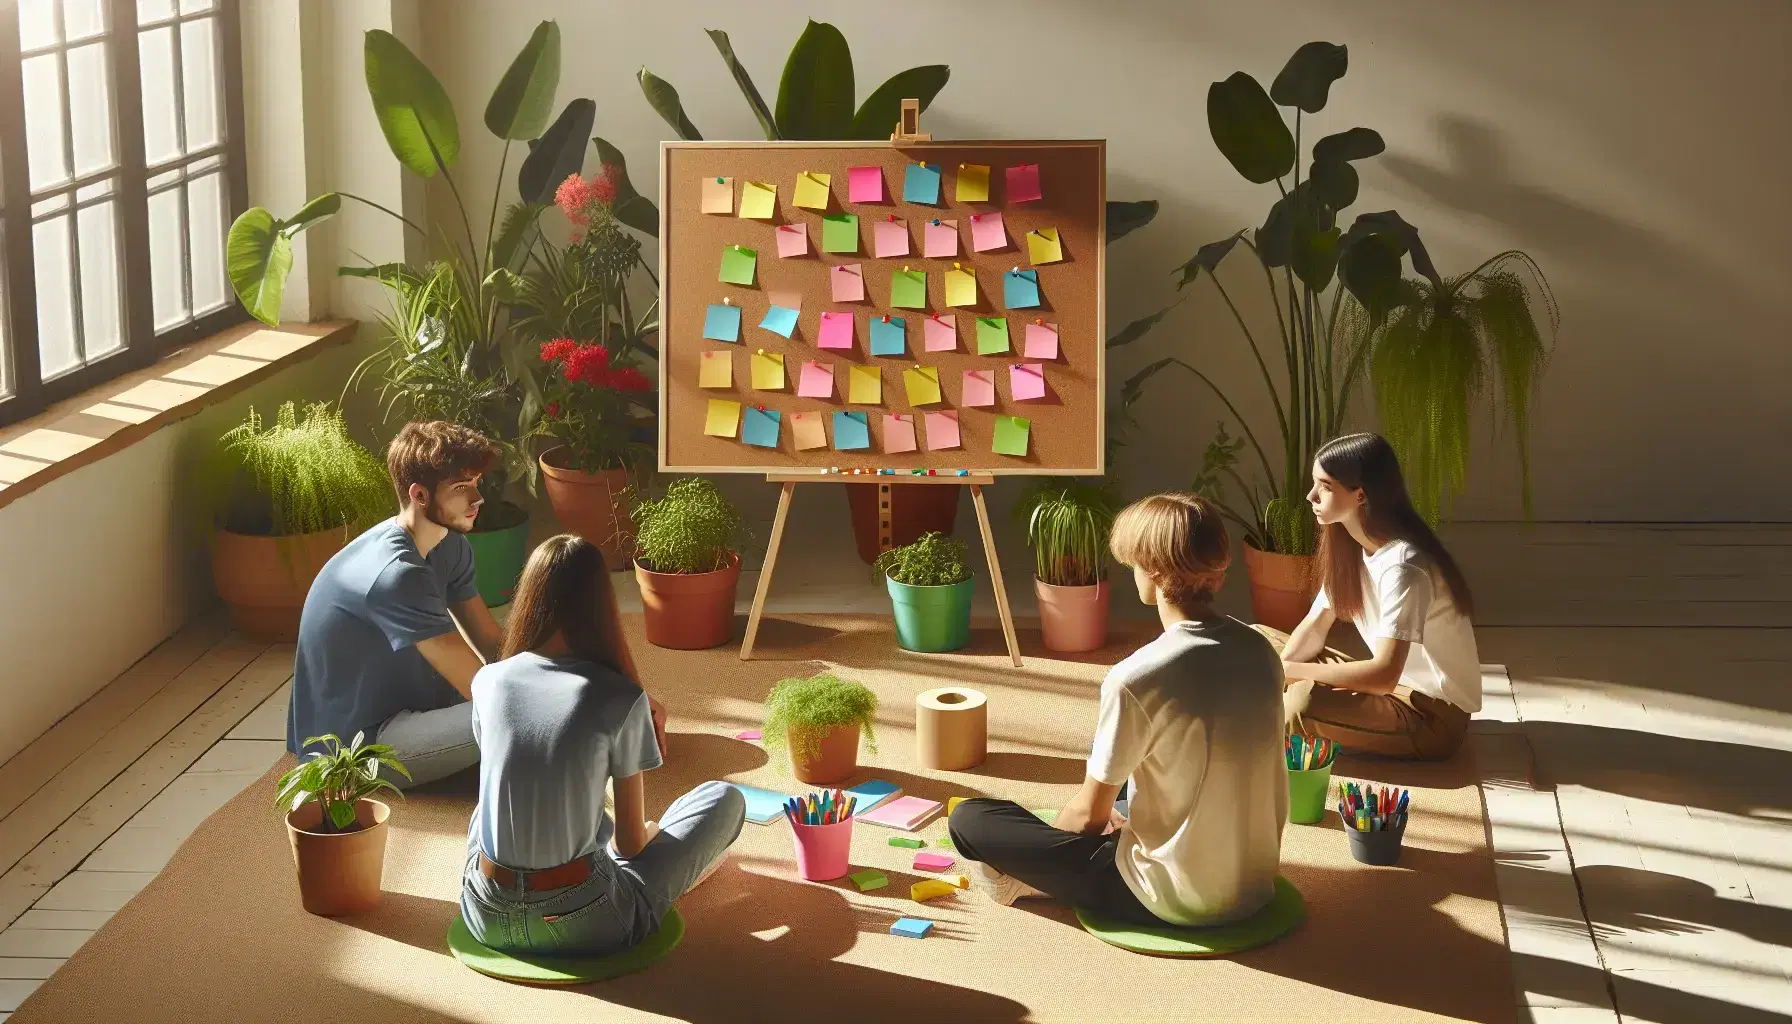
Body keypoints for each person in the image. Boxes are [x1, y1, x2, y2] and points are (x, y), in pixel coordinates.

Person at [948, 493, 1287, 927]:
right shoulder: (1261, 649)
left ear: (1156, 573)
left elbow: (1088, 818)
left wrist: (1048, 852)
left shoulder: (1137, 676)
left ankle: (1029, 881)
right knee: (1136, 771)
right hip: (1254, 885)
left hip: (1173, 899)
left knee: (970, 818)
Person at [287, 420, 667, 786]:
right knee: (539, 711)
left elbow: (494, 647)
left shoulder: (449, 544)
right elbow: (490, 693)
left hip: (415, 703)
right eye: (461, 486)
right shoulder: (396, 574)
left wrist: (612, 686)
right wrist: (596, 700)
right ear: (419, 495)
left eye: (477, 483)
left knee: (556, 697)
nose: (477, 497)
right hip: (358, 747)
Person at [460, 534, 744, 956]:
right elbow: (630, 844)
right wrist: (646, 835)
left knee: (489, 805)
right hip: (583, 919)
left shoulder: (488, 680)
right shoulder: (618, 696)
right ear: (600, 603)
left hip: (485, 913)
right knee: (724, 799)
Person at [1271, 432, 1481, 761]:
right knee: (1259, 641)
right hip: (1390, 692)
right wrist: (1281, 669)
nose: (1311, 495)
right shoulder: (1349, 546)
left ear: (1360, 495)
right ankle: (1262, 706)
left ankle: (1256, 719)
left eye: (1325, 486)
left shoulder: (1405, 566)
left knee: (1301, 705)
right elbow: (1314, 628)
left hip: (1429, 715)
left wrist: (1288, 674)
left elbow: (1384, 675)